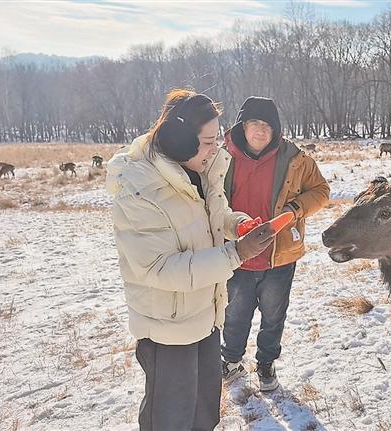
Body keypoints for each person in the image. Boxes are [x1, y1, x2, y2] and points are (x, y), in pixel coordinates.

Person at [106, 89, 276, 430]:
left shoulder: (200, 170)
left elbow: (215, 215)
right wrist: (237, 253)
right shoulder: (139, 188)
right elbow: (160, 268)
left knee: (204, 414)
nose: (217, 149)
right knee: (170, 420)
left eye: (217, 139)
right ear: (179, 139)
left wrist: (237, 224)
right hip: (167, 328)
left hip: (206, 314)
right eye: (208, 141)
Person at [220, 96, 330, 391]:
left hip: (279, 257)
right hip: (236, 254)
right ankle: (231, 361)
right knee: (234, 314)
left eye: (267, 125)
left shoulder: (296, 159)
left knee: (273, 316)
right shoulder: (221, 158)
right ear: (242, 126)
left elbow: (321, 191)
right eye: (254, 123)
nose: (260, 130)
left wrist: (295, 210)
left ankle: (266, 363)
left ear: (276, 129)